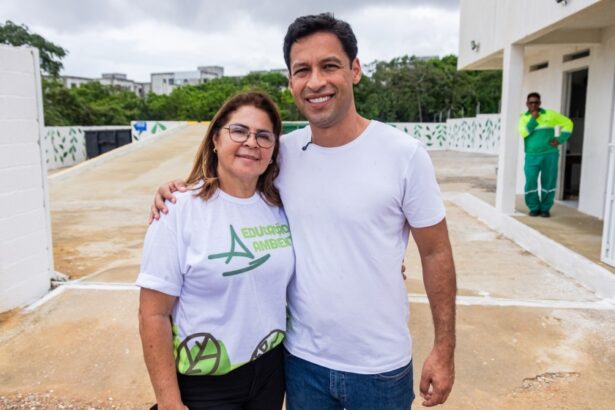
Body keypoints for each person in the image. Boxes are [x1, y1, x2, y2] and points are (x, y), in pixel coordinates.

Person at [150, 13, 456, 409]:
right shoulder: (281, 154)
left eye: (329, 66)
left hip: (380, 366)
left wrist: (444, 349)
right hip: (300, 362)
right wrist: (177, 190)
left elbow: (436, 252)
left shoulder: (404, 155)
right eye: (302, 70)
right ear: (291, 81)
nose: (315, 82)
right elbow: (232, 177)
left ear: (355, 70)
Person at [137, 91, 294, 410]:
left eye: (264, 136)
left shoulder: (281, 206)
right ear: (215, 139)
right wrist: (169, 402)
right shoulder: (178, 209)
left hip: (270, 370)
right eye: (239, 131)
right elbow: (153, 314)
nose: (251, 142)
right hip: (206, 381)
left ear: (273, 151)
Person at [518, 92, 573, 218]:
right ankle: (534, 208)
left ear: (540, 103)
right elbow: (523, 133)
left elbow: (568, 123)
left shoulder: (550, 114)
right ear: (527, 104)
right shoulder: (523, 118)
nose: (533, 105)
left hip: (550, 154)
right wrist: (533, 119)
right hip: (531, 156)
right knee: (530, 181)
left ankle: (545, 208)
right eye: (531, 103)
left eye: (536, 102)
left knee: (549, 181)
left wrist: (560, 139)